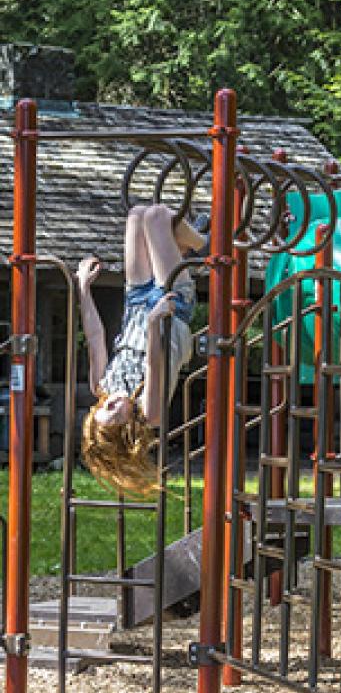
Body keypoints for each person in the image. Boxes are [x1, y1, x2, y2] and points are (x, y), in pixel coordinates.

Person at [78, 204, 206, 496]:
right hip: (171, 308)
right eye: (113, 412)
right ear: (129, 427)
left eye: (101, 409)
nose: (108, 403)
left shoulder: (103, 387)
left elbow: (96, 337)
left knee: (137, 215)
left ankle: (182, 246)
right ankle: (203, 244)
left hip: (137, 301)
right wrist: (154, 321)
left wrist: (83, 288)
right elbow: (154, 363)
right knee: (157, 217)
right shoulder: (150, 412)